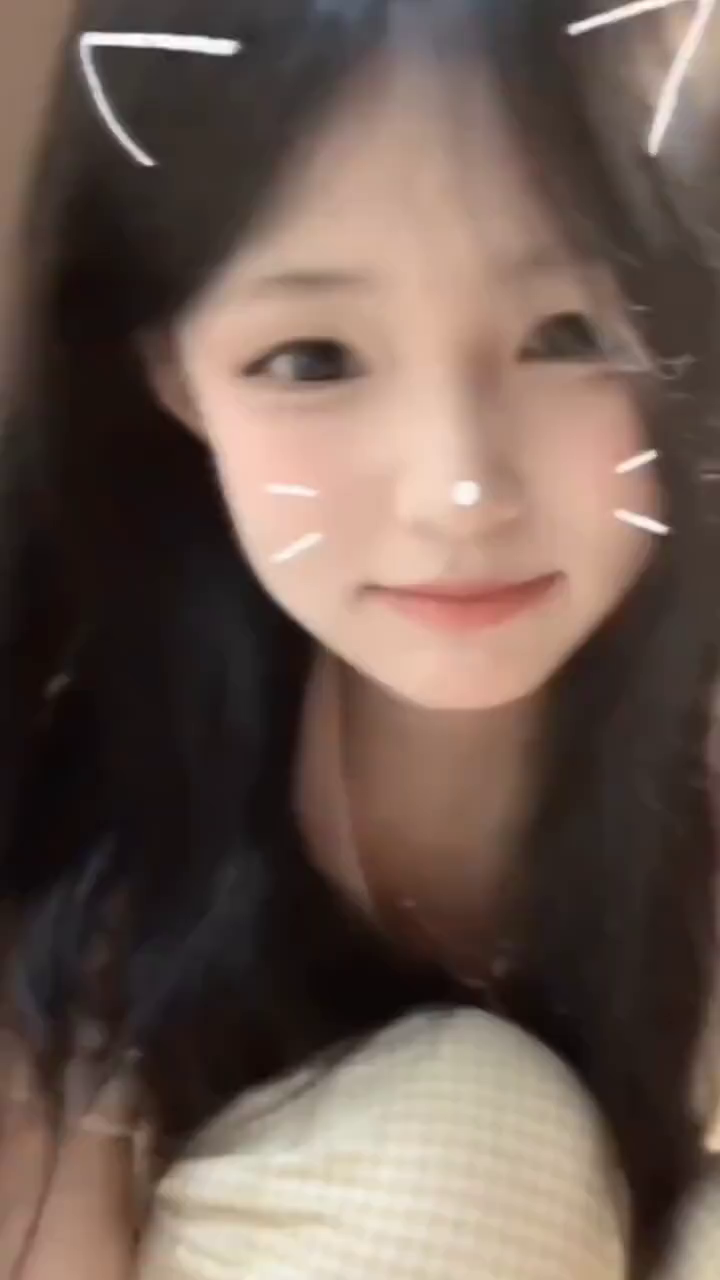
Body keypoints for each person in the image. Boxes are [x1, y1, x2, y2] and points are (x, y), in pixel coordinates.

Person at [1, 0, 720, 1276]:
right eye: (312, 357)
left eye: (570, 335)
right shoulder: (82, 836)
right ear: (173, 375)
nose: (460, 490)